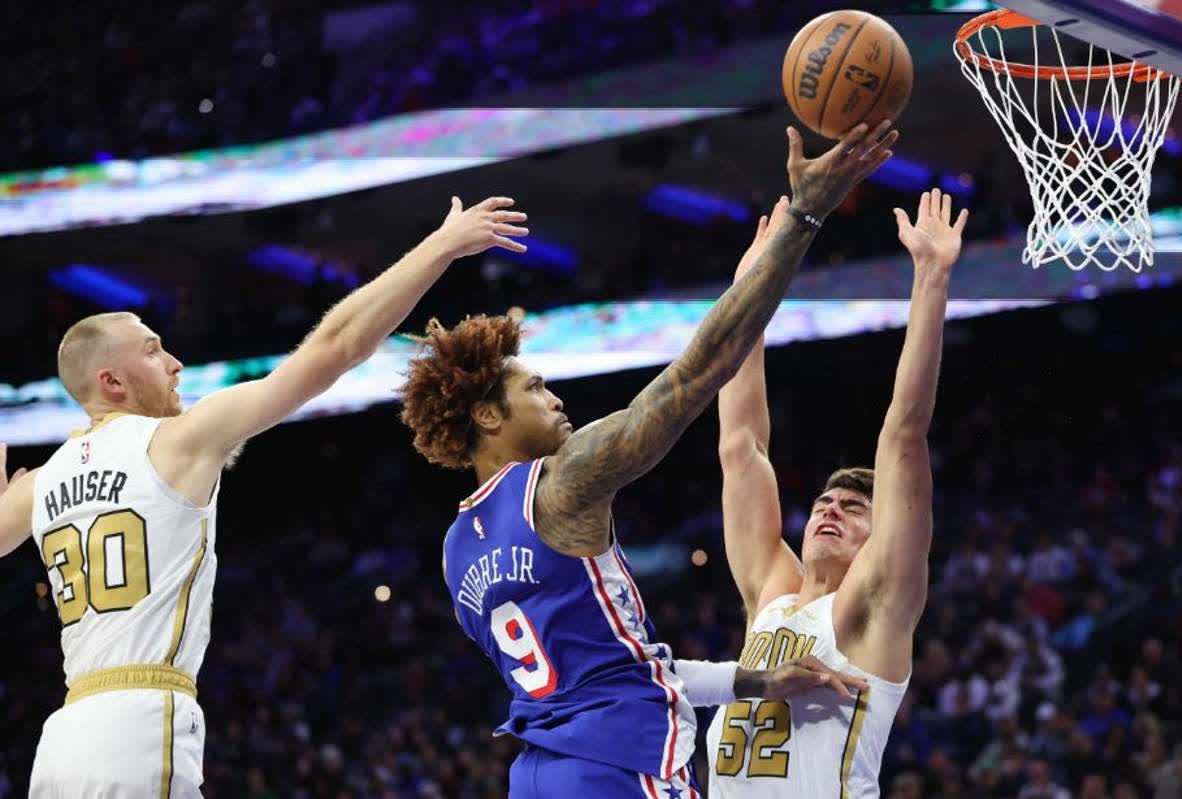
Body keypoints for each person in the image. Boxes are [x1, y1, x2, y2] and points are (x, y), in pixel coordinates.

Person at [400, 121, 899, 796]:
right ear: (488, 416)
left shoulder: (457, 550)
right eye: (534, 389)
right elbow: (694, 376)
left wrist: (753, 680)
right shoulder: (562, 483)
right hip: (619, 767)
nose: (555, 398)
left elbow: (611, 671)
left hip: (541, 776)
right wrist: (806, 216)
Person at [0, 196, 530, 797]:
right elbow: (337, 346)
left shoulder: (40, 485)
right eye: (152, 349)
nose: (174, 363)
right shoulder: (179, 439)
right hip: (139, 724)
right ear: (112, 382)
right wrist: (442, 247)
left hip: (62, 740)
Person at [708, 188, 968, 797]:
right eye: (826, 503)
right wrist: (749, 291)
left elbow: (905, 435)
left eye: (854, 509)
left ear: (885, 540)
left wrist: (931, 276)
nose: (831, 509)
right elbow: (740, 446)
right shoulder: (771, 596)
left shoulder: (871, 609)